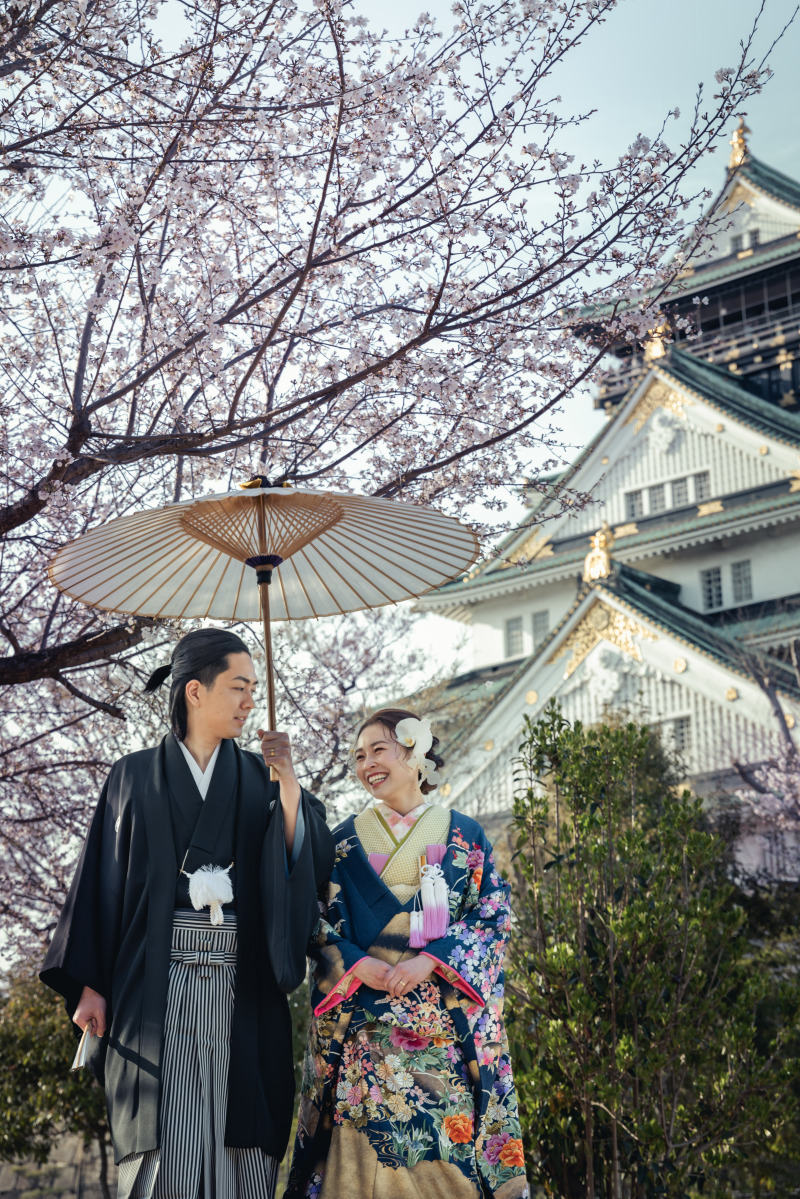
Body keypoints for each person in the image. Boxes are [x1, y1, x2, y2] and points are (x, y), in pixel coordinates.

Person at [41, 628, 335, 1199]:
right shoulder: (131, 777)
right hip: (154, 983)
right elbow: (99, 887)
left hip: (242, 981)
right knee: (161, 1145)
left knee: (239, 1138)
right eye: (239, 686)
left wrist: (292, 790)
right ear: (195, 692)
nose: (251, 700)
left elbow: (309, 863)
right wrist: (89, 986)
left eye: (254, 688)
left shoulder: (264, 780)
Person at [284, 707, 528, 1198]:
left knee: (444, 1158)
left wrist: (429, 960)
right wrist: (358, 963)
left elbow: (492, 916)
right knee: (356, 1164)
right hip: (363, 1035)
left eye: (379, 750)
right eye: (358, 755)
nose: (366, 763)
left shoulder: (465, 835)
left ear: (414, 754)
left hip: (440, 1034)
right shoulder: (342, 844)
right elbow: (314, 920)